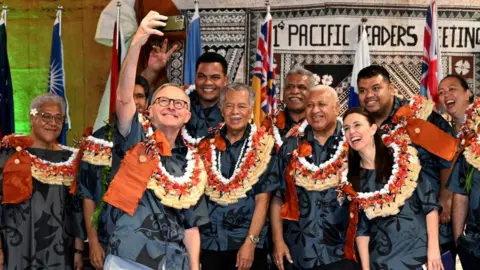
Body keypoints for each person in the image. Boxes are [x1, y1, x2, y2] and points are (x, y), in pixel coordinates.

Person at [100, 11, 210, 270]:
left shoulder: (192, 163)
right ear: (148, 110)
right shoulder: (135, 139)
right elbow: (125, 99)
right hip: (129, 257)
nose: (172, 106)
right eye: (163, 101)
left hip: (174, 262)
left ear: (187, 115)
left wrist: (194, 266)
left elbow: (191, 225)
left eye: (179, 103)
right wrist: (138, 40)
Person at [77, 33, 176, 270]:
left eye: (140, 97)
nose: (135, 102)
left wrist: (151, 72)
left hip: (153, 246)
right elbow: (88, 193)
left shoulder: (162, 136)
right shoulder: (100, 139)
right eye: (130, 98)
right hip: (107, 238)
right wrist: (92, 242)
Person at [357, 65, 457, 255]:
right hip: (382, 231)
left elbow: (449, 158)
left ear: (392, 88)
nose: (369, 95)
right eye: (362, 90)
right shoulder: (359, 126)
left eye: (376, 88)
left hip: (426, 224)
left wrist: (445, 200)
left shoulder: (417, 118)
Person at [342, 107, 444, 270]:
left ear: (373, 128)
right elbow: (362, 230)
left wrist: (434, 250)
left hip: (419, 255)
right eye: (346, 128)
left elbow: (430, 205)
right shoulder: (352, 179)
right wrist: (366, 268)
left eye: (357, 125)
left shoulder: (403, 158)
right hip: (382, 262)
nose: (351, 132)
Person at [269, 85, 358, 270]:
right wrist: (278, 242)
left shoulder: (354, 143)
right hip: (297, 252)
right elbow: (277, 196)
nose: (315, 110)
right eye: (310, 105)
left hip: (343, 251)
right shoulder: (290, 145)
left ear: (336, 108)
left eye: (322, 104)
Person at [198, 82, 280, 270]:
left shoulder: (265, 146)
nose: (235, 111)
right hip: (210, 243)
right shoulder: (205, 145)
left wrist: (250, 243)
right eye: (229, 105)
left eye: (242, 106)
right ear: (221, 109)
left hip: (247, 243)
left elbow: (263, 200)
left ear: (250, 110)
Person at [0, 93, 84, 269]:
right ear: (32, 117)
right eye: (46, 116)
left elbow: (77, 207)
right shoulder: (10, 154)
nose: (53, 123)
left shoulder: (71, 159)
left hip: (60, 250)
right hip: (16, 247)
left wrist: (78, 250)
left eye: (58, 118)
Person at [439, 75, 480, 269]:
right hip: (465, 237)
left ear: (468, 93)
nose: (446, 94)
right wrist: (459, 243)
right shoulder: (442, 133)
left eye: (452, 89)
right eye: (441, 92)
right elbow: (459, 188)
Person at [266, 67, 314, 149]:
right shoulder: (269, 124)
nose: (294, 91)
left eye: (302, 87)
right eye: (289, 87)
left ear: (312, 93)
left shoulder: (320, 125)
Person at [185, 52, 229, 138]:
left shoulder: (233, 109)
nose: (208, 82)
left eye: (215, 77)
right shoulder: (181, 104)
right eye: (201, 76)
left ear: (225, 80)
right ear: (195, 77)